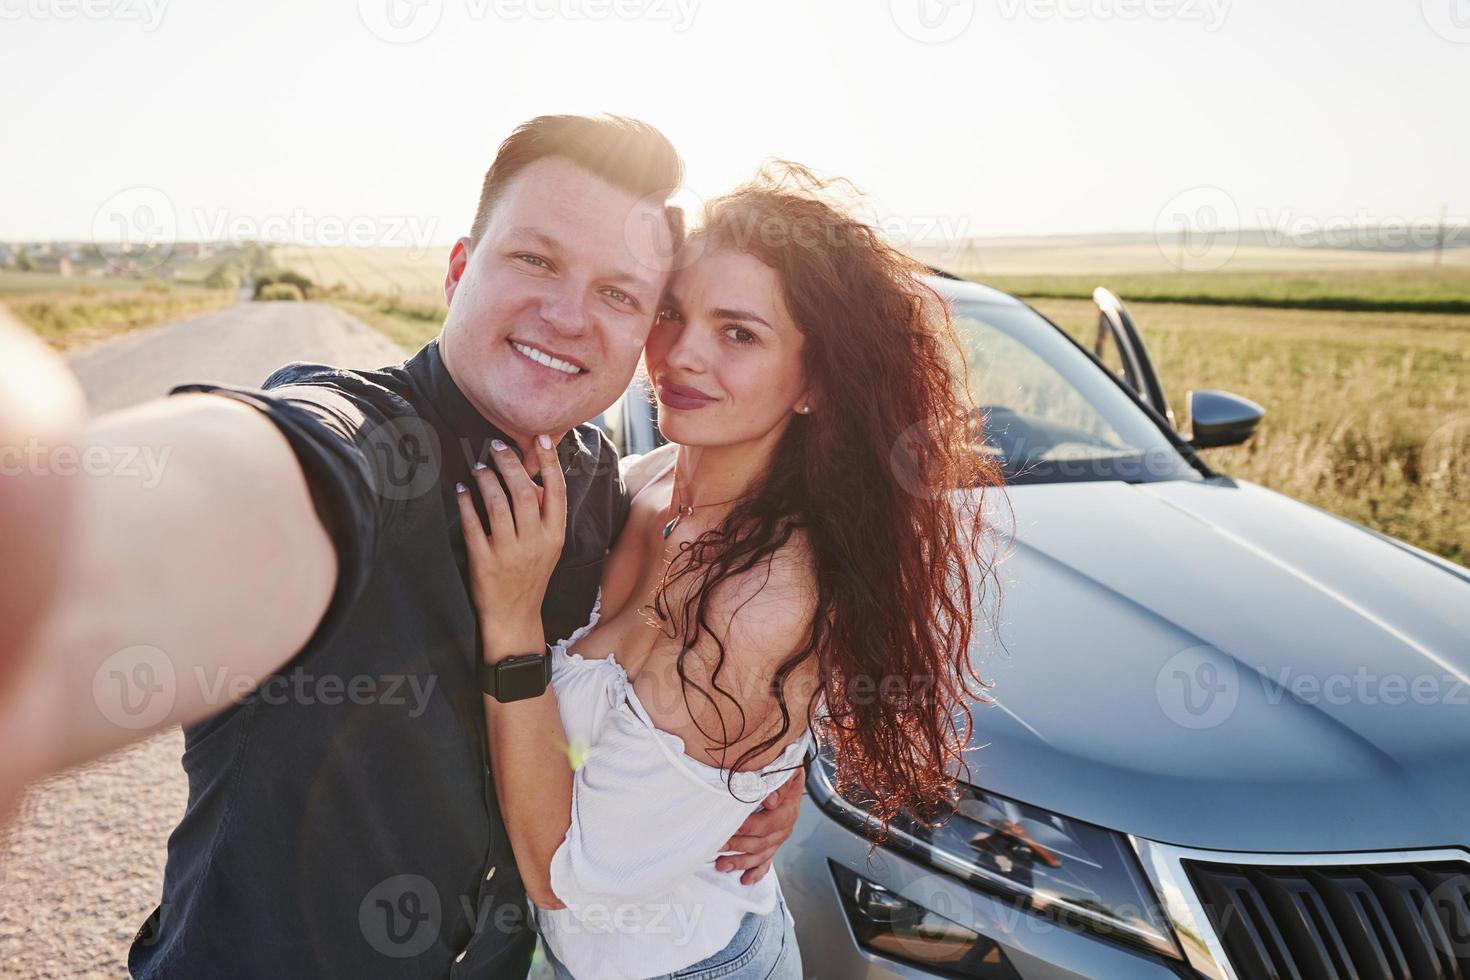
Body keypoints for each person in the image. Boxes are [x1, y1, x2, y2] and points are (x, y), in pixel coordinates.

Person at [0, 114, 804, 979]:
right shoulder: (358, 444)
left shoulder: (602, 483)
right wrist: (59, 546)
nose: (569, 316)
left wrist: (766, 761)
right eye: (535, 260)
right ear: (459, 270)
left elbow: (743, 590)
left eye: (620, 294)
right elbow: (252, 486)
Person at [453, 165, 1002, 979]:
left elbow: (568, 881)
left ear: (813, 381)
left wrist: (511, 623)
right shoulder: (642, 482)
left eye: (739, 334)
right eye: (672, 313)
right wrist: (770, 774)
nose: (680, 355)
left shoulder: (761, 598)